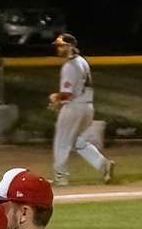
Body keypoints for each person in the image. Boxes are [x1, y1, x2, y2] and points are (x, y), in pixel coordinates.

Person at [49, 33, 114, 186]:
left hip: (74, 107)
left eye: (61, 45)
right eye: (58, 46)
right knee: (76, 141)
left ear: (70, 46)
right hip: (87, 107)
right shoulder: (82, 61)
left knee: (61, 142)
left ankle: (61, 177)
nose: (58, 49)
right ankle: (104, 165)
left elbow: (67, 94)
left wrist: (55, 97)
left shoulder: (69, 66)